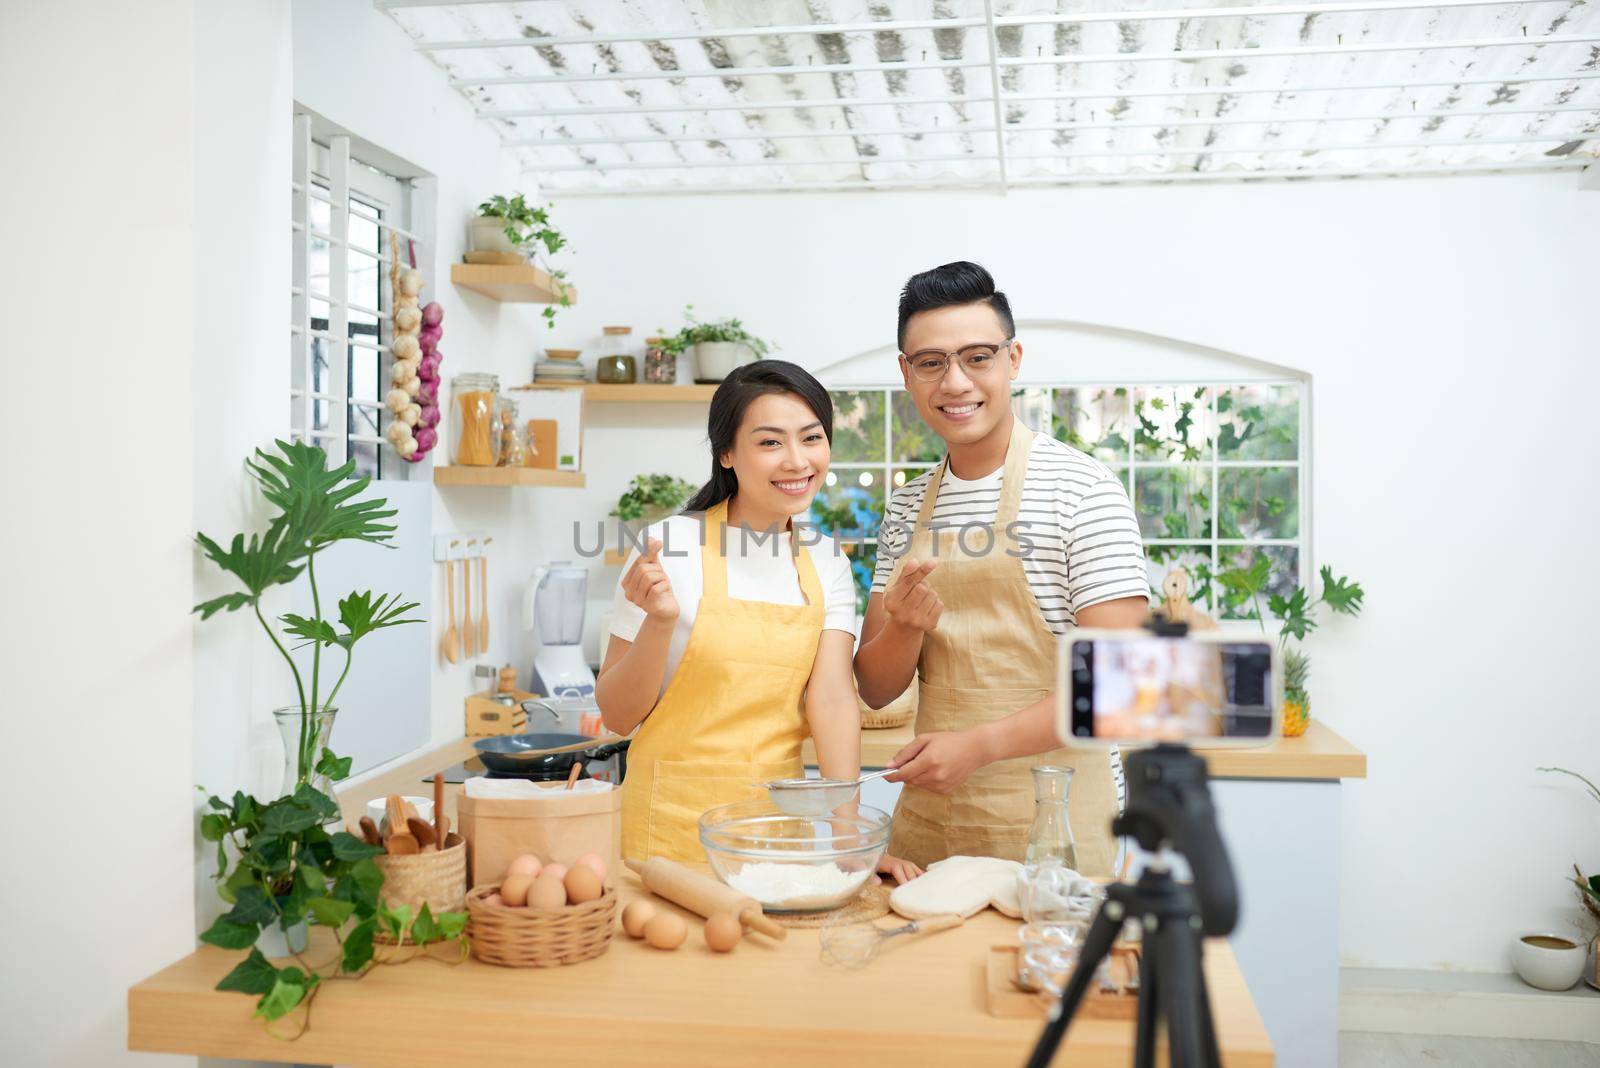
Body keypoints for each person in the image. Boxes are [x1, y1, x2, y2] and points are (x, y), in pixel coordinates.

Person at [854, 262, 1152, 876]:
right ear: (907, 374)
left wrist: (979, 747)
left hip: (1057, 826)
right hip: (932, 826)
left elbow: (1117, 691)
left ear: (1013, 358)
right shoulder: (910, 504)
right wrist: (906, 627)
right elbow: (876, 686)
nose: (956, 382)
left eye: (978, 357)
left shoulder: (1082, 489)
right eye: (932, 362)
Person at [598, 360, 921, 883]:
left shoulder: (826, 562)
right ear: (727, 453)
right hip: (667, 833)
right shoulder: (669, 547)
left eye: (811, 438)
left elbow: (834, 698)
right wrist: (658, 624)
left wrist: (848, 834)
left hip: (777, 833)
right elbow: (615, 715)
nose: (797, 460)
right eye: (770, 442)